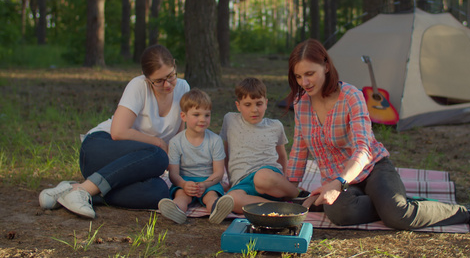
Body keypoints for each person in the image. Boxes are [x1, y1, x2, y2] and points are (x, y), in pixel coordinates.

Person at [285, 38, 470, 231]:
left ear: (326, 66)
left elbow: (363, 149)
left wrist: (338, 182)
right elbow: (299, 149)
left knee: (399, 217)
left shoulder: (351, 96)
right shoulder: (301, 103)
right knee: (339, 213)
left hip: (372, 169)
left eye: (310, 74)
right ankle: (391, 202)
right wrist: (288, 189)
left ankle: (467, 212)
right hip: (339, 183)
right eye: (299, 76)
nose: (305, 83)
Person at [38, 44, 190, 218]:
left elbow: (178, 139)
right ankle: (84, 190)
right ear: (147, 79)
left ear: (175, 66)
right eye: (159, 81)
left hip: (131, 167)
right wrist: (158, 142)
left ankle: (72, 190)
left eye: (171, 76)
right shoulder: (138, 86)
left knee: (158, 192)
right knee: (159, 155)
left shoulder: (183, 88)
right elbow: (118, 132)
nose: (168, 84)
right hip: (101, 148)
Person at [218, 77, 302, 216]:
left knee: (261, 177)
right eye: (248, 104)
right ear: (238, 106)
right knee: (231, 199)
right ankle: (279, 207)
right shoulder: (230, 120)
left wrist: (285, 182)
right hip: (242, 183)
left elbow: (281, 156)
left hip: (268, 179)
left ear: (266, 103)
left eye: (259, 104)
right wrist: (229, 180)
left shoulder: (275, 126)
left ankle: (297, 195)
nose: (254, 110)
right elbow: (226, 152)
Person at [158, 88, 234, 225]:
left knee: (211, 197)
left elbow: (219, 172)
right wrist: (183, 184)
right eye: (196, 114)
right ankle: (176, 210)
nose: (202, 119)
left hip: (208, 181)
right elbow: (173, 174)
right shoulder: (176, 142)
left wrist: (205, 184)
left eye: (207, 115)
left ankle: (217, 210)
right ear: (183, 116)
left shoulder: (215, 140)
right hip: (185, 181)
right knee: (181, 196)